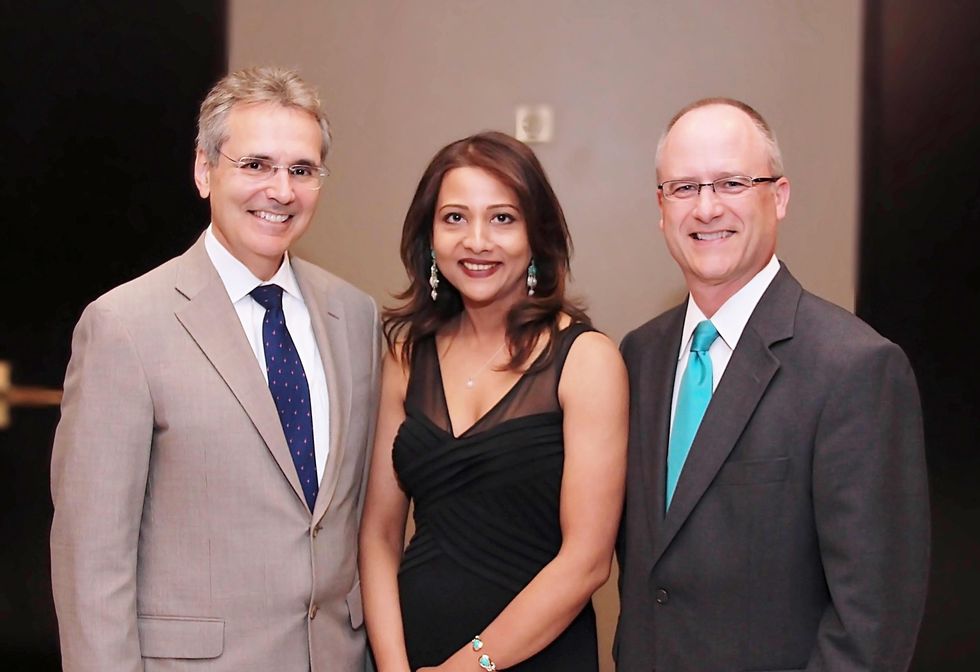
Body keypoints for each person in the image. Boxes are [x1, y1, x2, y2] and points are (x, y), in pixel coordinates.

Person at [49, 66, 380, 671]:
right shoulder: (124, 325)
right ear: (205, 170)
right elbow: (91, 561)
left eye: (301, 170)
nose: (281, 190)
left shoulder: (355, 317)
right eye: (255, 164)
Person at [614, 97, 930, 671]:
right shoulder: (638, 356)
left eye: (731, 182)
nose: (706, 208)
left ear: (779, 197)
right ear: (660, 208)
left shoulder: (854, 367)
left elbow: (873, 622)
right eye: (683, 188)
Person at [358, 131, 628, 671]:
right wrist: (392, 667)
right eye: (454, 218)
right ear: (429, 236)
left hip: (537, 657)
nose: (476, 241)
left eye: (502, 218)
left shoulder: (585, 360)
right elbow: (379, 535)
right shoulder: (407, 358)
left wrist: (464, 669)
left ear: (536, 236)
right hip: (412, 652)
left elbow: (587, 561)